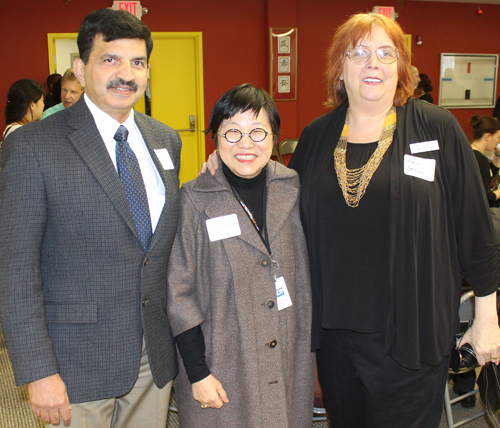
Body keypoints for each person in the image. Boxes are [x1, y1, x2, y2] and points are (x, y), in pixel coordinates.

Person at [201, 12, 500, 427]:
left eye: (385, 52)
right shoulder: (318, 135)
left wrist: (488, 317)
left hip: (411, 334)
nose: (372, 63)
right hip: (335, 335)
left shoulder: (437, 127)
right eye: (358, 53)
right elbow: (277, 193)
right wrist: (229, 157)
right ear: (340, 67)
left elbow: (475, 230)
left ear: (401, 65)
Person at [0, 8, 181, 428]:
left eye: (137, 62)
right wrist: (37, 371)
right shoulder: (33, 146)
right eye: (110, 60)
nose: (126, 74)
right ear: (81, 69)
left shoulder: (165, 141)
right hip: (72, 362)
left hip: (150, 356)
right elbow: (15, 268)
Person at [167, 84, 315, 427]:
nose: (246, 144)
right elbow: (178, 292)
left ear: (274, 136)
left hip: (287, 358)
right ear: (215, 139)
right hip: (222, 363)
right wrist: (197, 372)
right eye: (232, 132)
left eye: (257, 131)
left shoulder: (292, 187)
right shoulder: (194, 199)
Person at [469, 115, 500, 206]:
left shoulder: (470, 152)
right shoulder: (481, 160)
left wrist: (498, 154)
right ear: (488, 136)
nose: (498, 141)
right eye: (498, 137)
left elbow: (489, 174)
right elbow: (484, 197)